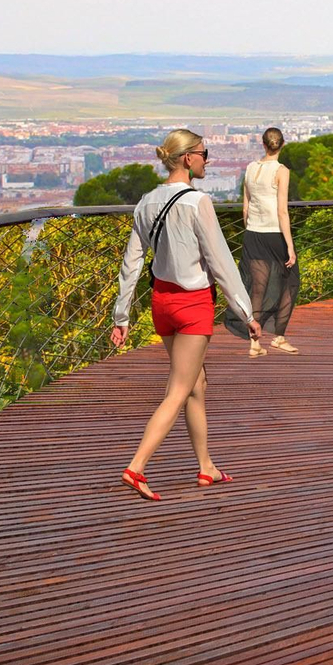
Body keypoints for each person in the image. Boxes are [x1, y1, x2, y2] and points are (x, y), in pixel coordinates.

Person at [111, 129, 262, 501]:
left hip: (161, 302)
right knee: (179, 389)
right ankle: (136, 467)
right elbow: (221, 262)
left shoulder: (146, 202)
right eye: (204, 153)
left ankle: (206, 466)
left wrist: (122, 316)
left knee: (196, 385)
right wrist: (246, 313)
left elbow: (131, 265)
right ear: (187, 159)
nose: (208, 159)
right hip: (193, 303)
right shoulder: (198, 202)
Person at [229, 127, 299, 358]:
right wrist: (289, 245)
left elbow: (245, 207)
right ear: (282, 145)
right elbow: (282, 211)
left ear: (263, 144)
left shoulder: (250, 168)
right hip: (274, 234)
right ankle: (279, 337)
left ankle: (254, 344)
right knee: (290, 283)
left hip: (253, 233)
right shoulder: (281, 171)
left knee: (257, 288)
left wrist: (251, 228)